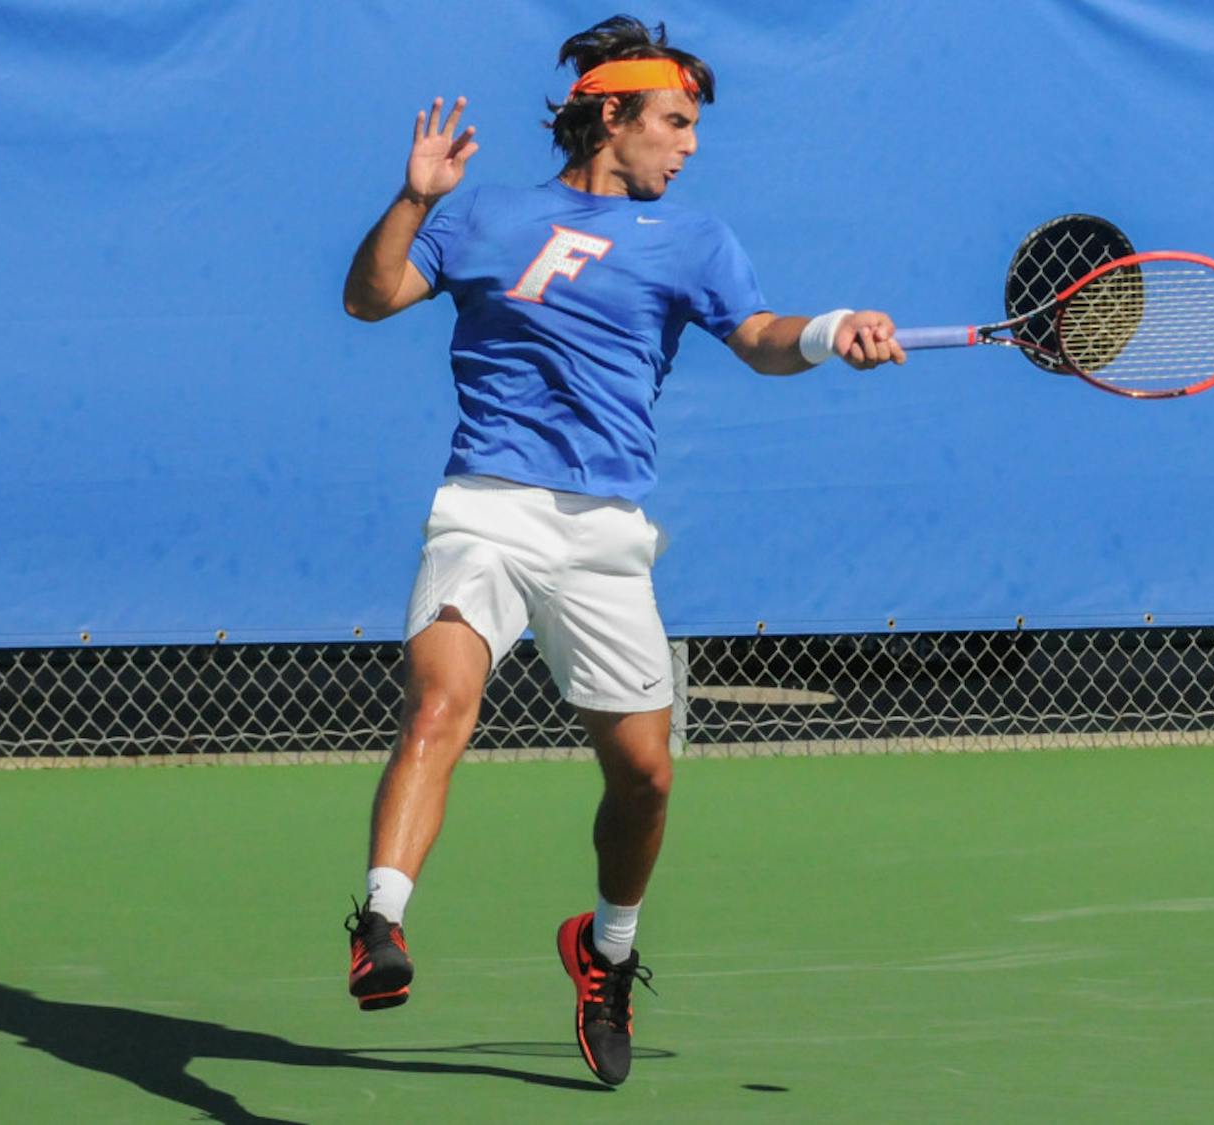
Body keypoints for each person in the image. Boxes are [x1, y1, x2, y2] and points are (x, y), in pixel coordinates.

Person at [339, 15, 904, 1087]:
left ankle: (606, 951)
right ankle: (380, 921)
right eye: (674, 124)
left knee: (644, 779)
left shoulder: (693, 240)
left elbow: (760, 339)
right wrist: (417, 198)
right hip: (487, 505)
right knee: (440, 702)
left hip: (605, 534)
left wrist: (834, 331)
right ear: (612, 114)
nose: (687, 147)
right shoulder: (489, 213)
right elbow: (368, 299)